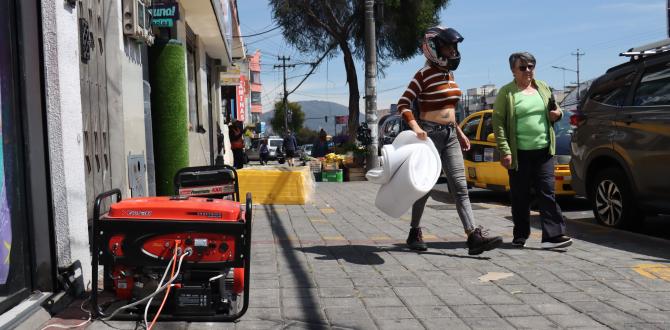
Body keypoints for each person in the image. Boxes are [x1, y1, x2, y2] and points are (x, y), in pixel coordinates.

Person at [397, 26, 502, 254]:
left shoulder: (449, 74)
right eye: (448, 45)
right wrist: (416, 127)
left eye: (454, 46)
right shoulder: (422, 75)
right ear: (433, 48)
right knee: (424, 188)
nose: (453, 50)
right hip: (430, 136)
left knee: (460, 187)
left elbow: (449, 110)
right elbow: (403, 104)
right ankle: (415, 231)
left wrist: (461, 133)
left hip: (451, 135)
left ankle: (473, 235)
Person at [492, 52, 572, 249]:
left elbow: (556, 109)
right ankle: (520, 235)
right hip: (519, 153)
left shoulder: (542, 87)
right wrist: (505, 150)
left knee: (547, 192)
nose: (528, 70)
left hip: (544, 150)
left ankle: (554, 235)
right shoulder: (507, 93)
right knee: (520, 196)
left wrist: (558, 114)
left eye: (531, 66)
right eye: (523, 67)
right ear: (513, 70)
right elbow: (498, 122)